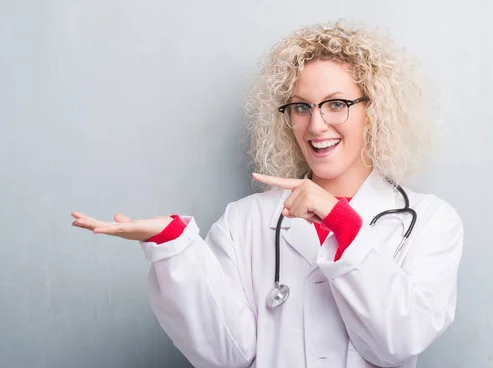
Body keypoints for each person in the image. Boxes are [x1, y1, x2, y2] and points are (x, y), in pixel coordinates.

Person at [72, 19, 463, 368]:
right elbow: (227, 354)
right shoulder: (245, 221)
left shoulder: (431, 221)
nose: (316, 124)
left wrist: (342, 223)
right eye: (300, 107)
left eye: (337, 104)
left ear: (373, 110)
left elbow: (397, 343)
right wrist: (173, 246)